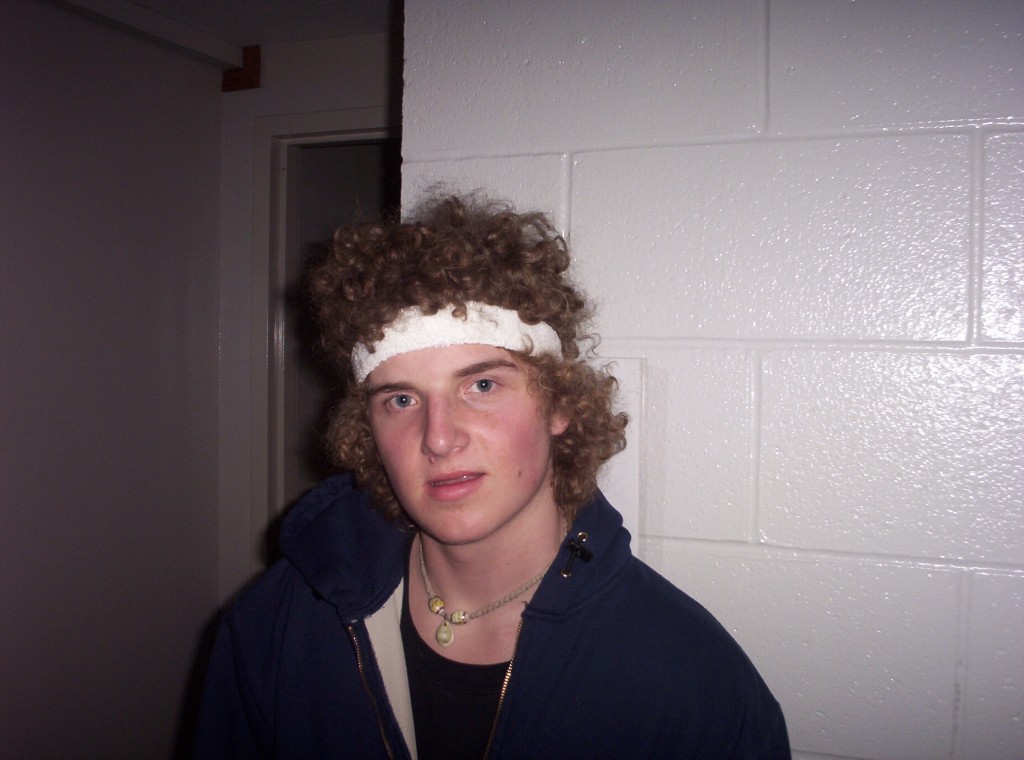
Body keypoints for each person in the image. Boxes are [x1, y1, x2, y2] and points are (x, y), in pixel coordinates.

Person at [195, 194, 790, 759]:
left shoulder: (689, 683)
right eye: (400, 400)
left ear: (558, 406)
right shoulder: (278, 625)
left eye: (481, 385)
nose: (439, 437)